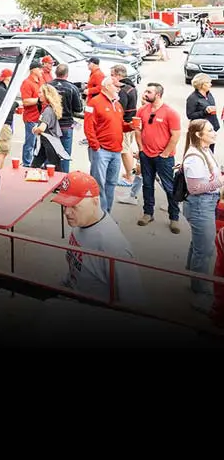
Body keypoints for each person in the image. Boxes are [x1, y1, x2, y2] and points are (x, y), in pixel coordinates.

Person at [50, 171, 145, 306]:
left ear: (95, 202)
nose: (66, 212)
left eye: (74, 206)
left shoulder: (114, 247)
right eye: (64, 205)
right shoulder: (80, 222)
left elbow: (135, 303)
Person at [180, 119, 224, 313]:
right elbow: (195, 188)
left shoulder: (205, 150)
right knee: (205, 249)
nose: (214, 132)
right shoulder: (195, 157)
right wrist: (220, 183)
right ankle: (200, 290)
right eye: (210, 130)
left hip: (205, 204)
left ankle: (193, 276)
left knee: (198, 244)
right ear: (199, 135)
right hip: (200, 205)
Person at [132, 83, 182, 233]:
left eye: (149, 92)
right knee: (147, 185)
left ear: (158, 95)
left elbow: (176, 135)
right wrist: (141, 149)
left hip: (164, 157)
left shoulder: (170, 113)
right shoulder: (141, 110)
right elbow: (137, 130)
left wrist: (166, 153)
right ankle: (148, 213)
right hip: (146, 155)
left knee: (169, 187)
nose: (145, 94)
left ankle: (174, 218)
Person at [83, 76, 135, 213]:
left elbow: (120, 125)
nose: (119, 89)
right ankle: (99, 214)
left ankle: (107, 214)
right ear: (107, 86)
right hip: (102, 151)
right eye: (116, 86)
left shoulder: (117, 105)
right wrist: (96, 147)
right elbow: (89, 127)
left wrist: (131, 126)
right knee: (98, 184)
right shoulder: (94, 103)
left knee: (111, 184)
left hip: (116, 151)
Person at [49, 63, 83, 172]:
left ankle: (49, 178)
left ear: (55, 73)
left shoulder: (48, 86)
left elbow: (40, 104)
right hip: (66, 125)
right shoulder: (72, 88)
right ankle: (63, 181)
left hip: (50, 125)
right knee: (65, 154)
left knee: (49, 153)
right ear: (67, 74)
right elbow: (78, 108)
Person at [31, 84, 71, 170]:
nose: (39, 94)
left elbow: (42, 128)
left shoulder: (48, 110)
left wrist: (35, 129)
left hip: (48, 141)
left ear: (47, 94)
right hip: (46, 141)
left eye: (40, 92)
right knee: (36, 165)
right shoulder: (50, 109)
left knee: (55, 167)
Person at [110, 64, 138, 185]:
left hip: (125, 124)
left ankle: (129, 177)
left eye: (112, 75)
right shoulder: (131, 87)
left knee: (125, 150)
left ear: (119, 75)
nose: (110, 78)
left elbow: (120, 109)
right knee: (128, 148)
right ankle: (129, 173)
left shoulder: (122, 91)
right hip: (131, 122)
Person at [0, 67, 18, 171]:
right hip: (3, 125)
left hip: (2, 124)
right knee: (2, 150)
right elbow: (6, 106)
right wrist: (15, 104)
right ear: (8, 79)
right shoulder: (1, 91)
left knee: (1, 150)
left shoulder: (2, 89)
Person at [19, 60, 44, 166]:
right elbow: (25, 101)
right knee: (30, 143)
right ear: (33, 70)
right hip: (31, 118)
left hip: (40, 117)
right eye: (39, 69)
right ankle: (26, 164)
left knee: (38, 143)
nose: (41, 71)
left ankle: (33, 163)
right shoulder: (27, 83)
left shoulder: (41, 80)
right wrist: (39, 99)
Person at [186, 74, 219, 152]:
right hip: (201, 131)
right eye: (208, 83)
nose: (211, 84)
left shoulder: (209, 94)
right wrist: (205, 112)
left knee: (211, 151)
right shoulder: (192, 98)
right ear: (201, 84)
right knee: (202, 151)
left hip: (212, 128)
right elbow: (190, 115)